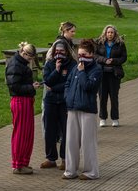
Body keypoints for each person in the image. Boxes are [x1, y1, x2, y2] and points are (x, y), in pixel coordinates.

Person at [63, 39, 103, 180]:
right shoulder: (76, 67)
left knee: (88, 142)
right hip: (73, 107)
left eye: (84, 54)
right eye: (79, 54)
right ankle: (70, 170)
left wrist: (81, 72)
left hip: (87, 109)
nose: (81, 57)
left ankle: (91, 171)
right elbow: (68, 83)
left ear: (91, 54)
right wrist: (67, 97)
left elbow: (88, 86)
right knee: (71, 141)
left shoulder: (96, 70)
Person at [5, 42, 41, 174]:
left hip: (24, 100)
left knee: (27, 133)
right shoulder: (15, 65)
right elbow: (14, 87)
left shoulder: (19, 63)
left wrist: (31, 85)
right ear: (24, 53)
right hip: (20, 101)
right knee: (21, 133)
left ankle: (23, 162)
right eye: (30, 58)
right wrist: (31, 87)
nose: (30, 60)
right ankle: (18, 164)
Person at [41, 39, 75, 170]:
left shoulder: (72, 64)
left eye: (62, 51)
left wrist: (55, 88)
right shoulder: (50, 63)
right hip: (50, 101)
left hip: (64, 102)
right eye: (57, 51)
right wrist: (56, 70)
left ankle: (65, 159)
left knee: (66, 131)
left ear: (66, 52)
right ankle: (50, 158)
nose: (59, 53)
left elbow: (69, 83)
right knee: (49, 130)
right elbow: (47, 81)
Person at [95, 25, 127, 127]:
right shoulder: (99, 43)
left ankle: (115, 118)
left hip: (114, 72)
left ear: (115, 33)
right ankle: (103, 118)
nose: (110, 34)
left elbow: (124, 57)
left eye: (112, 32)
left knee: (114, 96)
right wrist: (104, 60)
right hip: (102, 72)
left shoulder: (120, 44)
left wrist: (114, 61)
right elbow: (95, 56)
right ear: (105, 33)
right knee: (102, 97)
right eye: (108, 32)